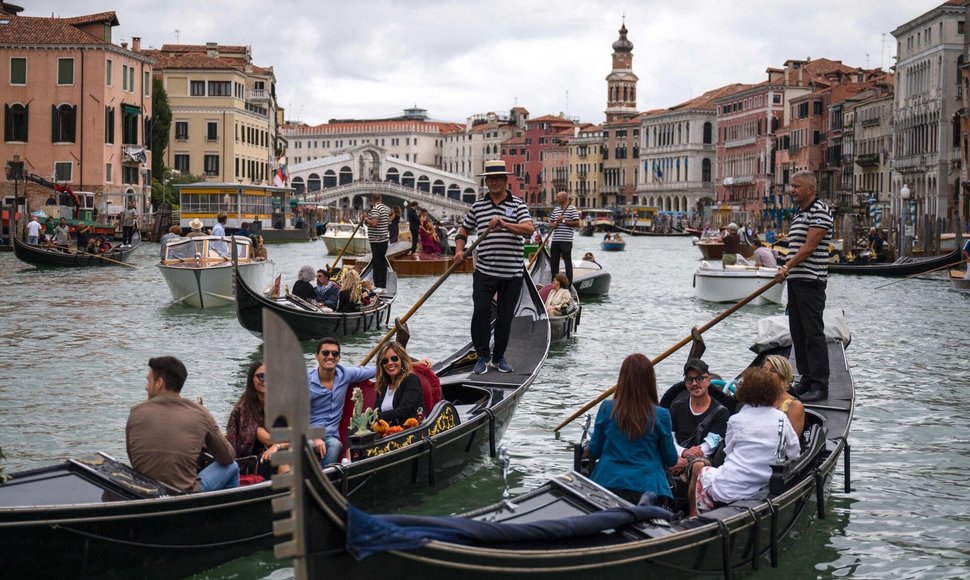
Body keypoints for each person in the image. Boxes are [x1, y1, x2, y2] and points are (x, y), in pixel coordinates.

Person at [453, 160, 534, 375]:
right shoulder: (478, 206)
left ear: (505, 181)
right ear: (486, 182)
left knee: (505, 318)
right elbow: (463, 230)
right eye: (491, 179)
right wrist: (459, 251)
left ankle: (498, 357)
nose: (495, 182)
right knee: (480, 312)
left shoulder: (518, 205)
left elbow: (528, 229)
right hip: (484, 271)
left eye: (498, 178)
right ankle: (482, 355)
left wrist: (505, 224)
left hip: (512, 273)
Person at [689, 367, 800, 516]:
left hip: (730, 488)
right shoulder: (781, 419)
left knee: (701, 471)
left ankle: (693, 516)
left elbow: (728, 453)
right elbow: (794, 452)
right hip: (763, 483)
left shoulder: (736, 420)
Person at [126, 356, 239, 493]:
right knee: (232, 467)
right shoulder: (200, 413)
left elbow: (133, 457)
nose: (146, 387)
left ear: (160, 383)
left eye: (148, 381)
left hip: (144, 491)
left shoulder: (136, 412)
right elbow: (227, 457)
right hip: (184, 494)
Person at [587, 353, 679, 506]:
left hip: (606, 483)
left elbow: (594, 451)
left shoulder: (606, 408)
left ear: (622, 379)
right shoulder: (661, 415)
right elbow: (671, 459)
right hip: (648, 488)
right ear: (650, 381)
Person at [773, 170, 833, 402]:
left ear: (810, 189)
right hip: (797, 280)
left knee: (812, 333)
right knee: (798, 332)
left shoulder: (820, 211)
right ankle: (807, 378)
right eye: (792, 186)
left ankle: (820, 385)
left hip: (811, 280)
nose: (792, 190)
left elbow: (809, 246)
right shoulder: (800, 213)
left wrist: (786, 267)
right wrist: (789, 271)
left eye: (796, 187)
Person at [308, 337, 376, 464]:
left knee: (335, 446)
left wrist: (411, 364)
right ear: (317, 356)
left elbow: (376, 370)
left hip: (331, 436)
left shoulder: (345, 374)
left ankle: (323, 479)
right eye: (325, 353)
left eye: (335, 353)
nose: (330, 356)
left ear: (339, 358)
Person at [666, 358, 730, 482]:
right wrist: (683, 452)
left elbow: (710, 446)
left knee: (697, 466)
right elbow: (669, 438)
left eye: (699, 379)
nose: (694, 383)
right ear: (685, 383)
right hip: (678, 453)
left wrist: (687, 461)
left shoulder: (721, 412)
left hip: (703, 459)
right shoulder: (676, 407)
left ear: (708, 380)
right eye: (689, 380)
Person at [226, 361, 291, 478]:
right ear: (252, 379)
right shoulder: (244, 409)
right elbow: (269, 439)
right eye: (261, 376)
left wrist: (277, 446)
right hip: (252, 461)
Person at [373, 341, 424, 425]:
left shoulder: (411, 380)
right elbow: (376, 411)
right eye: (385, 361)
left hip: (408, 431)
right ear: (381, 365)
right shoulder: (383, 385)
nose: (389, 363)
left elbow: (402, 412)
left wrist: (375, 417)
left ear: (401, 360)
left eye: (394, 358)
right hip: (386, 431)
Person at [762, 354, 806, 436]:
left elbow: (792, 443)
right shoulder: (756, 398)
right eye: (764, 370)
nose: (766, 374)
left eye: (773, 371)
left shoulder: (794, 406)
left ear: (783, 376)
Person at [549, 191, 581, 284]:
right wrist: (553, 225)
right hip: (555, 240)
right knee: (554, 263)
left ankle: (569, 282)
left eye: (558, 197)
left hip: (566, 240)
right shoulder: (556, 210)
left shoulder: (572, 209)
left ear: (564, 198)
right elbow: (551, 222)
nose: (556, 199)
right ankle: (554, 282)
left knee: (567, 262)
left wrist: (563, 220)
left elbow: (576, 223)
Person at [365, 192, 389, 290]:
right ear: (381, 198)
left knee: (378, 262)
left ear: (372, 199)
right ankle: (380, 284)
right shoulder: (384, 208)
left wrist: (366, 219)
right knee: (380, 261)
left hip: (377, 240)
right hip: (383, 239)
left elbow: (374, 223)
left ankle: (380, 285)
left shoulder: (375, 209)